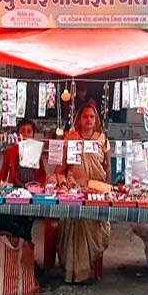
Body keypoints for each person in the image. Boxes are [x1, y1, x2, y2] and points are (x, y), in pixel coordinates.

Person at [52, 104, 112, 283]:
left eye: (92, 117)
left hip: (96, 191)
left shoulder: (102, 139)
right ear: (78, 119)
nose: (88, 120)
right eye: (85, 116)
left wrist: (107, 187)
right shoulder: (70, 138)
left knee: (94, 224)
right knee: (72, 223)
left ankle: (87, 270)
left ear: (96, 120)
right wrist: (57, 180)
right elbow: (61, 167)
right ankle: (72, 273)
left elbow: (107, 166)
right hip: (74, 191)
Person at [0, 118, 46, 187]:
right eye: (22, 131)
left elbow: (42, 173)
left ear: (33, 135)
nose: (25, 134)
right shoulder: (9, 152)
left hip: (33, 189)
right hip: (14, 189)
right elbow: (3, 173)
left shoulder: (36, 151)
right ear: (17, 134)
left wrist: (39, 185)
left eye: (29, 132)